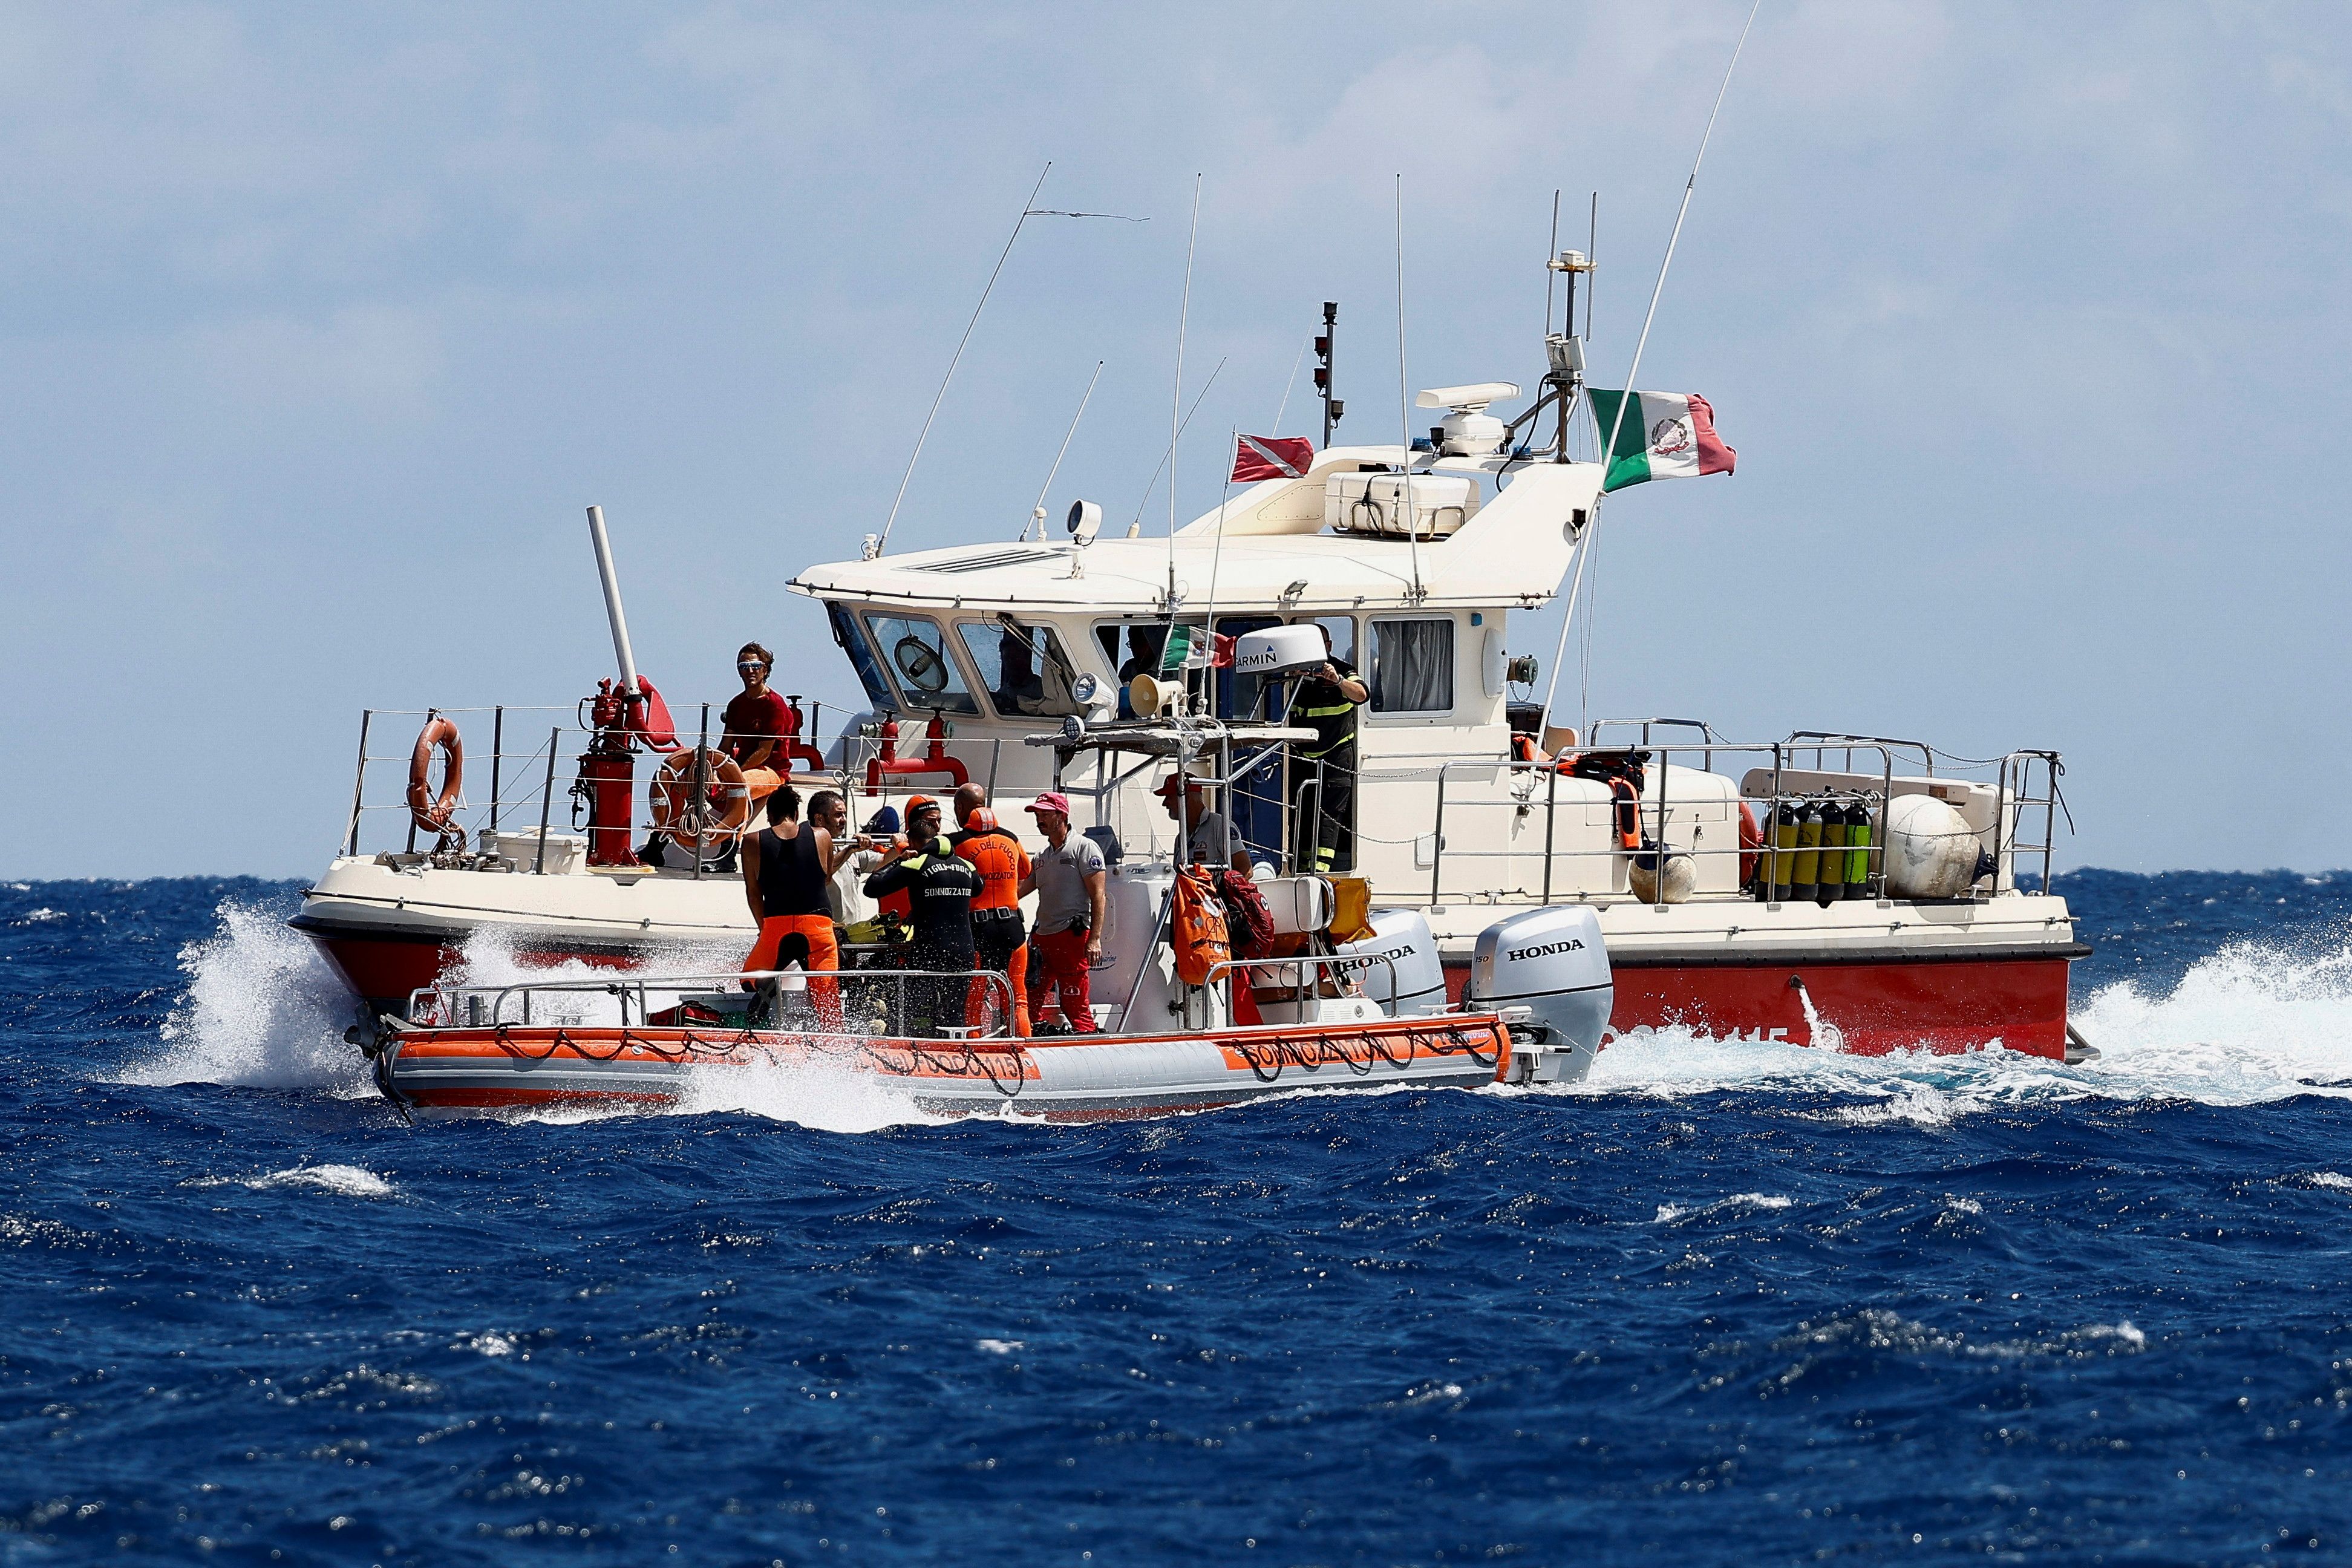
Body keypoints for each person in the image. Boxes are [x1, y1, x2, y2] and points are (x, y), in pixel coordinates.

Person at [861, 795, 983, 1037]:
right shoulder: (965, 865)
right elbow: (978, 888)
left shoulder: (916, 863)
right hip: (964, 952)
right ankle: (956, 1054)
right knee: (954, 1014)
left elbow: (872, 887)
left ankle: (913, 1053)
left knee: (911, 1010)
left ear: (913, 841)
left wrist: (900, 857)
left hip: (931, 950)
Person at [739, 785, 841, 1030]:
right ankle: (836, 1042)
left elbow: (753, 894)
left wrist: (765, 930)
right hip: (818, 929)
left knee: (747, 979)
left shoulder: (753, 841)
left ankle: (766, 984)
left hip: (777, 927)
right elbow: (826, 877)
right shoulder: (822, 836)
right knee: (827, 997)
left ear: (769, 816)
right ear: (796, 815)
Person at [1019, 791, 1106, 1033]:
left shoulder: (1085, 847)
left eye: (1045, 814)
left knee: (1075, 1005)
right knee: (1029, 1001)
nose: (1040, 820)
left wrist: (1095, 939)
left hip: (1071, 936)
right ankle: (1039, 1040)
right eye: (1037, 815)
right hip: (1043, 940)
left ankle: (1089, 1044)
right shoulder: (1041, 856)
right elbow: (1020, 890)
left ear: (1062, 815)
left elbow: (1098, 895)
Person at [949, 786, 1032, 1037]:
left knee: (973, 996)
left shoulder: (955, 843)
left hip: (978, 929)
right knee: (1018, 995)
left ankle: (974, 1050)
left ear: (960, 809)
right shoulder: (1011, 838)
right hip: (1013, 927)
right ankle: (1024, 1045)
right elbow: (1026, 871)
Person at [1290, 623, 1367, 874]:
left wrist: (1337, 680)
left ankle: (1319, 873)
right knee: (1301, 815)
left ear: (1329, 646)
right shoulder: (1296, 672)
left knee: (1329, 819)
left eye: (1320, 644)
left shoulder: (1342, 670)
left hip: (1336, 757)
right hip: (1303, 758)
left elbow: (1361, 694)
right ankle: (1300, 870)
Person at [720, 643, 794, 811]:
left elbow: (764, 752)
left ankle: (734, 835)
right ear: (739, 671)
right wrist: (714, 769)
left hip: (773, 771)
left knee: (739, 786)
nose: (750, 671)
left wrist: (733, 774)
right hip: (742, 767)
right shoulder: (736, 704)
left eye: (756, 666)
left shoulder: (775, 705)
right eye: (744, 666)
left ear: (765, 670)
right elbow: (726, 746)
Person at [1155, 771, 1253, 879]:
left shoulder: (1219, 826)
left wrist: (1220, 894)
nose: (1164, 803)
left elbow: (1246, 871)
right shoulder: (1180, 839)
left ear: (1186, 797)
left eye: (1169, 797)